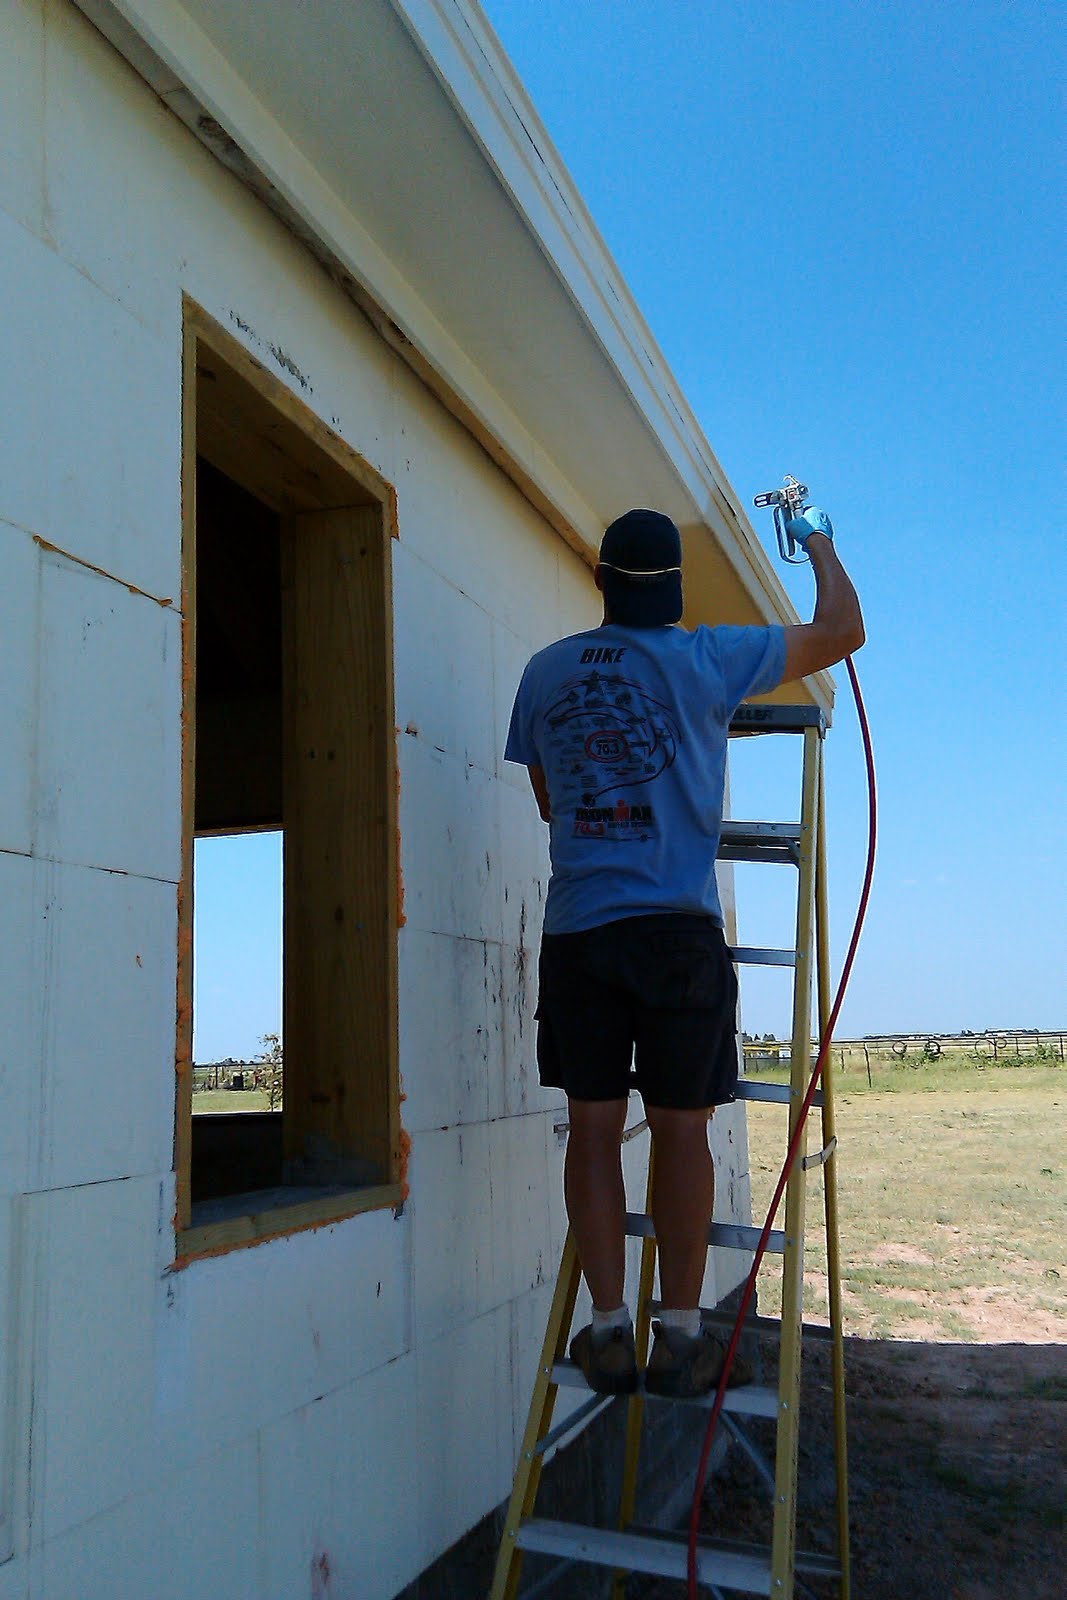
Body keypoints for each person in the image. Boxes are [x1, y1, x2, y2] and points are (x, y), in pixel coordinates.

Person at [504, 505, 864, 1398]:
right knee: (680, 1129)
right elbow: (842, 631)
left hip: (580, 933)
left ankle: (605, 1331)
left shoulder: (542, 672)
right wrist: (815, 535)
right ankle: (680, 1334)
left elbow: (550, 800)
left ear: (598, 581)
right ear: (673, 590)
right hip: (675, 934)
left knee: (590, 1130)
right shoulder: (708, 656)